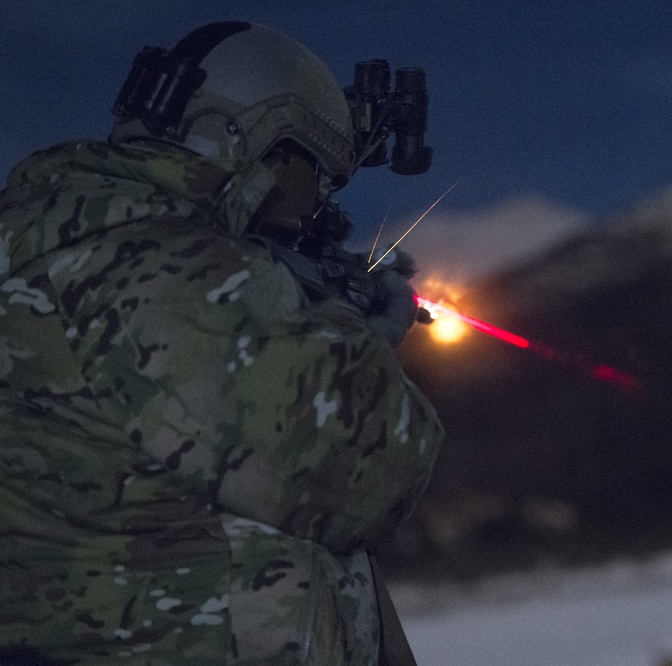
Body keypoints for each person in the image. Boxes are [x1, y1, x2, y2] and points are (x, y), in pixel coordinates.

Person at [0, 22, 443, 665]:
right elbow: (371, 469)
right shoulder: (163, 261)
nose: (316, 201)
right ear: (259, 142)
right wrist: (350, 330)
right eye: (313, 170)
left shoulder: (62, 234)